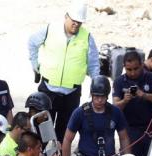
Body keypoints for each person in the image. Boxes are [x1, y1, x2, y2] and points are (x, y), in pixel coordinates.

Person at [28, 0, 100, 143]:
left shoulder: (87, 37)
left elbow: (93, 64)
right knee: (43, 130)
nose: (76, 24)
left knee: (64, 132)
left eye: (80, 22)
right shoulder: (50, 30)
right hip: (48, 90)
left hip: (71, 93)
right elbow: (32, 43)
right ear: (66, 16)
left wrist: (96, 86)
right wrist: (35, 65)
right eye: (74, 20)